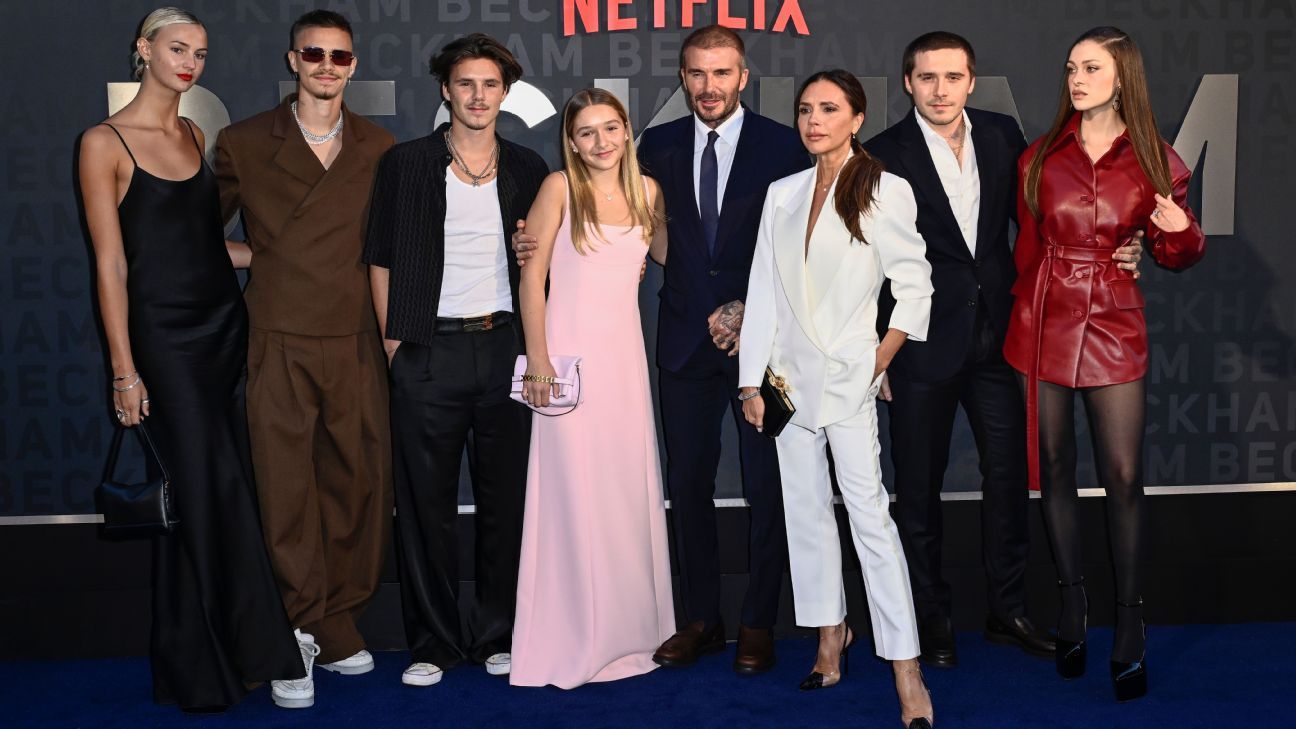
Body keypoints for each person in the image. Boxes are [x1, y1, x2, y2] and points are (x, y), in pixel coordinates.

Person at [511, 24, 810, 674]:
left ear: (743, 76)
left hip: (768, 348)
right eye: (697, 73)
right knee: (687, 484)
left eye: (722, 72)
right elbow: (645, 237)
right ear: (683, 77)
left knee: (769, 484)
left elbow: (802, 249)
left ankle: (758, 622)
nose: (709, 85)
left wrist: (750, 307)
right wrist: (531, 243)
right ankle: (701, 619)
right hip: (680, 348)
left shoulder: (784, 146)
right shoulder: (660, 145)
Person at [862, 31, 1130, 667]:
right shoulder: (881, 154)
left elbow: (1049, 216)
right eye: (928, 78)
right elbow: (864, 259)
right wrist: (880, 349)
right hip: (919, 343)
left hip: (1001, 337)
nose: (940, 90)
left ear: (971, 81)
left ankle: (1008, 611)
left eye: (953, 77)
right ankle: (931, 619)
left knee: (1009, 478)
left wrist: (1123, 245)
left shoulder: (1004, 136)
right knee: (918, 488)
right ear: (908, 83)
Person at [78, 6, 304, 712]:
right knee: (205, 489)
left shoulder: (194, 135)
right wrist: (124, 369)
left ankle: (224, 654)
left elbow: (204, 244)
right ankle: (220, 659)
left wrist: (281, 256)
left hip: (222, 330)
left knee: (217, 491)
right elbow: (111, 264)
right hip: (163, 341)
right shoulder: (103, 143)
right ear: (143, 50)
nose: (190, 64)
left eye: (200, 54)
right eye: (178, 49)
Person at [1004, 26, 1205, 701]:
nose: (1077, 79)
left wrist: (1176, 237)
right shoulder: (1038, 156)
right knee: (1054, 465)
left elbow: (1177, 249)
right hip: (1041, 319)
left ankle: (1130, 618)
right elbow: (1027, 245)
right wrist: (1023, 309)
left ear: (1123, 77)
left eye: (1091, 68)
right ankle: (1072, 603)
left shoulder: (1155, 159)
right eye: (1071, 68)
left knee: (1123, 474)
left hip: (1114, 318)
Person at [739, 70, 935, 729]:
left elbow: (915, 286)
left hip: (849, 378)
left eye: (829, 109)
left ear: (857, 118)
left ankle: (906, 668)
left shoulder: (884, 187)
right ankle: (831, 634)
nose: (813, 120)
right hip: (786, 383)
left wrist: (879, 358)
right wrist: (750, 381)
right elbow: (764, 291)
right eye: (804, 109)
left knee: (870, 519)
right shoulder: (783, 192)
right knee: (804, 514)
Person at [214, 10, 394, 708]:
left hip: (354, 334)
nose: (326, 66)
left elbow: (397, 244)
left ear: (353, 65)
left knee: (356, 486)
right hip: (278, 333)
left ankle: (335, 618)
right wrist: (264, 256)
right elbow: (194, 234)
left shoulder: (379, 146)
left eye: (339, 56)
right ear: (293, 60)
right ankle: (292, 629)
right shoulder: (244, 141)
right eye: (313, 54)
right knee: (284, 488)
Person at [363, 33, 548, 688]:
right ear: (446, 90)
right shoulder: (406, 163)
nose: (477, 95)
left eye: (489, 84)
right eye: (465, 83)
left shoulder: (528, 166)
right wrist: (394, 346)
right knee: (424, 507)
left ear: (505, 93)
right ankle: (434, 642)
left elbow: (548, 259)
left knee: (506, 503)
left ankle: (498, 632)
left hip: (504, 347)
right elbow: (380, 258)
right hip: (426, 349)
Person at [508, 88, 674, 689]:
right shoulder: (558, 188)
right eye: (586, 132)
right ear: (571, 143)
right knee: (572, 494)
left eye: (610, 128)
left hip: (624, 364)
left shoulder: (649, 192)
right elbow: (531, 281)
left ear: (626, 131)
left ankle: (632, 631)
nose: (600, 141)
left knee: (624, 493)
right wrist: (539, 361)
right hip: (568, 363)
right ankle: (574, 634)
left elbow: (674, 257)